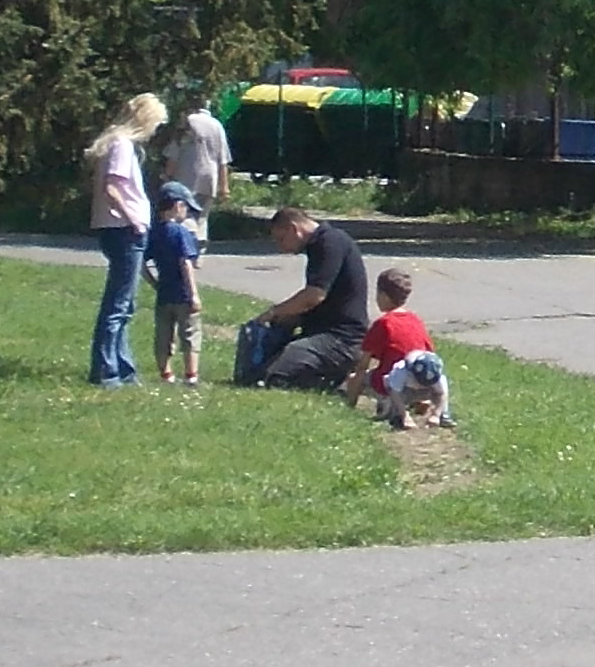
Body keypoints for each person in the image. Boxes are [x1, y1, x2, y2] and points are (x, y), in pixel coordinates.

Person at [244, 203, 371, 392]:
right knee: (258, 371)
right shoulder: (317, 245)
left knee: (276, 375)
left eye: (281, 239)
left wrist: (273, 312)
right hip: (323, 331)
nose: (281, 248)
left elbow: (314, 296)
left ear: (294, 229)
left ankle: (339, 382)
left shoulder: (330, 243)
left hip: (343, 338)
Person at [82, 92, 162, 387]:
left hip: (114, 227)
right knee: (118, 305)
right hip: (124, 229)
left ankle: (123, 367)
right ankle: (105, 370)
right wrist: (134, 219)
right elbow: (112, 187)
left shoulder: (114, 142)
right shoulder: (122, 146)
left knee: (125, 304)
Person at [345, 265, 440, 426]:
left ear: (383, 295)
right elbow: (429, 352)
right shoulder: (415, 320)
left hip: (395, 382)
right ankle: (420, 400)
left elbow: (363, 365)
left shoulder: (383, 324)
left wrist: (351, 400)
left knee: (355, 378)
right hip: (420, 382)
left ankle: (388, 404)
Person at [145, 180, 208, 386]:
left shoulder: (154, 233)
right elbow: (186, 264)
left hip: (164, 294)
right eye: (186, 209)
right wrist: (194, 294)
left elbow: (141, 264)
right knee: (190, 334)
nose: (186, 214)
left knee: (163, 336)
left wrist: (154, 283)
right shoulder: (181, 233)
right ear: (177, 205)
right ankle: (191, 375)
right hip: (183, 294)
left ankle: (167, 375)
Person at [156, 94, 232, 233]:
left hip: (186, 177)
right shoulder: (217, 125)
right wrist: (224, 187)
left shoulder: (187, 123)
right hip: (210, 179)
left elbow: (174, 154)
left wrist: (167, 177)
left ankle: (186, 244)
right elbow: (223, 160)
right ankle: (199, 243)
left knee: (183, 215)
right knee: (202, 217)